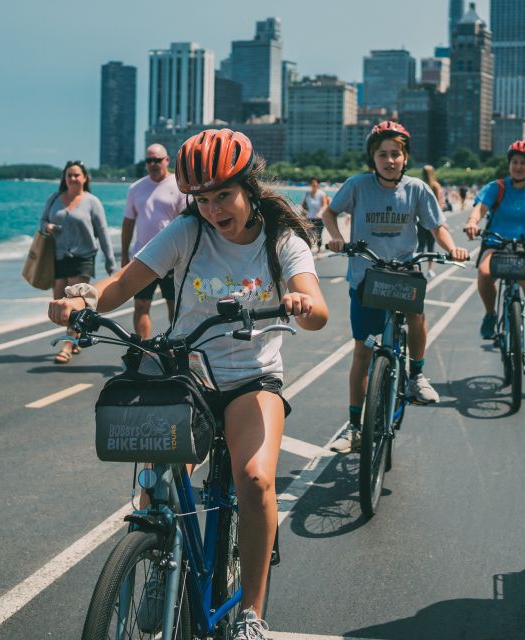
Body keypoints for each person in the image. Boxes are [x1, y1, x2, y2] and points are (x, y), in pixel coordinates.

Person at [48, 129, 329, 639]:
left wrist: (302, 304)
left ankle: (251, 615)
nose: (215, 209)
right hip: (188, 372)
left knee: (256, 480)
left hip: (251, 378)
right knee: (153, 473)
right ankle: (158, 552)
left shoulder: (281, 239)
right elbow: (122, 286)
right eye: (202, 198)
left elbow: (316, 304)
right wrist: (81, 302)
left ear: (248, 187)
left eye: (224, 195)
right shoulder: (186, 232)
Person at [322, 120, 469, 452]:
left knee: (416, 315)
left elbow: (438, 226)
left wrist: (452, 248)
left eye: (396, 154)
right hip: (365, 276)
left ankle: (416, 375)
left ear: (405, 158)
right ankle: (355, 426)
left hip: (403, 272)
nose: (389, 160)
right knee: (363, 351)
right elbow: (329, 213)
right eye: (382, 154)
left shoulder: (417, 189)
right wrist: (335, 237)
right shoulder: (358, 185)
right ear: (372, 158)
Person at [463, 141, 525, 374]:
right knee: (485, 273)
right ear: (509, 164)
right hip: (497, 242)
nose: (518, 166)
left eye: (523, 163)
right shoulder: (497, 187)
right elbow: (479, 208)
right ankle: (490, 314)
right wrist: (473, 222)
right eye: (515, 162)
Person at [41, 160, 116, 364]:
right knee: (58, 300)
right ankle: (74, 337)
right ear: (64, 178)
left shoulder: (92, 202)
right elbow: (41, 222)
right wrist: (47, 227)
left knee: (72, 304)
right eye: (69, 175)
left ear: (84, 178)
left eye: (76, 175)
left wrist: (110, 263)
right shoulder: (54, 198)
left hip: (83, 257)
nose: (73, 178)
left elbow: (102, 233)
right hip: (59, 258)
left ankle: (67, 345)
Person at [122, 144, 185, 339]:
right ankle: (145, 350)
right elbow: (128, 223)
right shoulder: (136, 188)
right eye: (149, 160)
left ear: (167, 160)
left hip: (172, 260)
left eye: (157, 160)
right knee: (141, 305)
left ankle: (176, 348)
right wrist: (124, 255)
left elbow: (186, 225)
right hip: (143, 258)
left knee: (175, 307)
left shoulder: (179, 186)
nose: (153, 164)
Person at [419, 165, 445, 278]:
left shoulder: (420, 184)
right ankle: (430, 269)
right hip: (432, 221)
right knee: (431, 246)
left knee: (420, 246)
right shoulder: (436, 185)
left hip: (420, 220)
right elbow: (440, 204)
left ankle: (417, 267)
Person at [300, 177, 330, 259]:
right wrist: (302, 215)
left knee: (318, 235)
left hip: (319, 218)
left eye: (315, 183)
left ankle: (319, 251)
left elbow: (325, 205)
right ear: (310, 184)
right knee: (309, 235)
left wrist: (320, 213)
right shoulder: (307, 194)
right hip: (309, 218)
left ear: (318, 184)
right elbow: (303, 205)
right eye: (312, 184)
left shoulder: (321, 194)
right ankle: (308, 251)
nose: (314, 185)